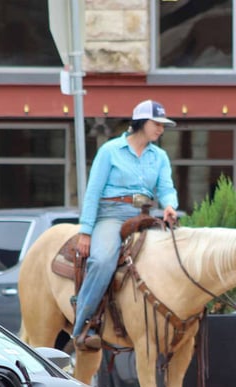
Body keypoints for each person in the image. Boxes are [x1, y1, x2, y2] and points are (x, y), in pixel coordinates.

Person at [72, 99, 179, 349]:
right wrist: (86, 231)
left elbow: (166, 188)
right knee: (102, 260)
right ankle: (84, 325)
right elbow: (93, 192)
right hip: (112, 214)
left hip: (144, 214)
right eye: (156, 123)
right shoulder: (110, 150)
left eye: (163, 125)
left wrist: (169, 205)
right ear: (141, 123)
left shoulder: (160, 156)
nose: (161, 129)